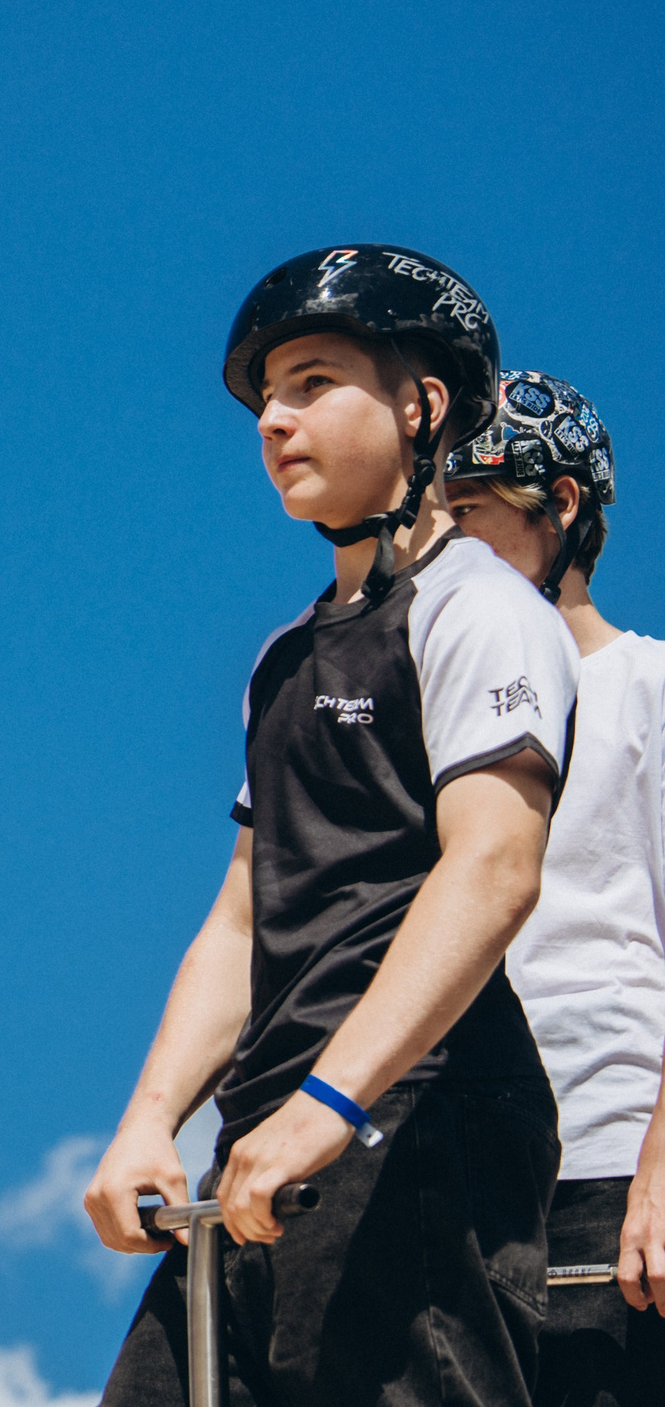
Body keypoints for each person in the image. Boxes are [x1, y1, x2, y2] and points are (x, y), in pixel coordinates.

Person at [83, 245, 579, 1406]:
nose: (273, 418)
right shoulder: (282, 658)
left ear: (421, 405)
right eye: (266, 396)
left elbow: (494, 868)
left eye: (312, 382)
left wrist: (333, 1102)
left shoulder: (481, 609)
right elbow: (241, 915)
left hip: (421, 1116)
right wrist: (150, 1120)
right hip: (267, 1133)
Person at [444, 372, 665, 1406]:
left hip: (610, 1167)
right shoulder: (436, 716)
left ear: (560, 505)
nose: (442, 544)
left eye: (467, 511)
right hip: (457, 1180)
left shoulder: (648, 687)